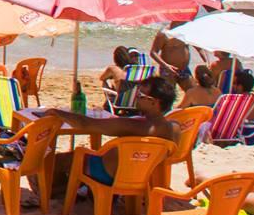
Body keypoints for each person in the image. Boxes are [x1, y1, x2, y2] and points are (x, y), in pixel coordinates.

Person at [44, 76, 179, 191]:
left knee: (58, 160)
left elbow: (86, 124)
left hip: (110, 173)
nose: (135, 98)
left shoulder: (134, 126)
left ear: (154, 102)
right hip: (142, 175)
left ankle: (54, 194)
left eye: (140, 95)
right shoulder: (174, 128)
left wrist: (58, 113)